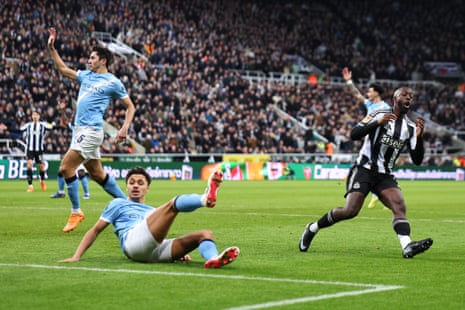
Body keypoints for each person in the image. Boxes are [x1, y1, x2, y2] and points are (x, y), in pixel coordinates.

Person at [298, 87, 433, 258]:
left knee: (399, 206)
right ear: (395, 98)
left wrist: (419, 139)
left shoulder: (411, 128)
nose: (409, 98)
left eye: (411, 96)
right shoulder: (379, 113)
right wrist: (377, 123)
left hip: (385, 175)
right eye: (405, 95)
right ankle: (312, 228)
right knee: (350, 211)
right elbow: (354, 134)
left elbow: (417, 159)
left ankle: (407, 246)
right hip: (364, 169)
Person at [59, 167, 240, 269]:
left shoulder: (152, 211)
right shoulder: (118, 204)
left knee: (205, 234)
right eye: (131, 183)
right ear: (127, 187)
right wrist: (77, 256)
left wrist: (180, 253)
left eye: (140, 183)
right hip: (133, 245)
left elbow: (157, 233)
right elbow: (95, 230)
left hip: (155, 249)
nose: (135, 186)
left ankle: (214, 259)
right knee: (173, 204)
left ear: (148, 188)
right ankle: (205, 198)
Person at [47, 27, 135, 233]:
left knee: (66, 168)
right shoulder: (86, 76)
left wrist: (124, 127)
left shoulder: (113, 82)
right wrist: (52, 48)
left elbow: (130, 106)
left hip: (92, 130)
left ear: (103, 60)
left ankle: (76, 211)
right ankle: (130, 205)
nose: (89, 60)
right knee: (97, 174)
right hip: (79, 130)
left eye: (93, 57)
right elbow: (63, 69)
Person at [342, 67, 391, 209]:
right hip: (370, 138)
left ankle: (373, 194)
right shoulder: (370, 104)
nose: (367, 93)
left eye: (369, 91)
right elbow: (357, 95)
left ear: (376, 93)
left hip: (379, 141)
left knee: (366, 167)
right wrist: (349, 82)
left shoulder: (384, 107)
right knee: (374, 169)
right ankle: (380, 194)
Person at [51, 101, 90, 199]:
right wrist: (62, 110)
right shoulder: (75, 127)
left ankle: (86, 194)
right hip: (75, 150)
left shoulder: (85, 125)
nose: (72, 117)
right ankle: (61, 192)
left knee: (80, 172)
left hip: (81, 150)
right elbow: (65, 121)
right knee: (61, 171)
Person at [19, 109, 55, 192]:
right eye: (33, 115)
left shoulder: (43, 125)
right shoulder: (28, 125)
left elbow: (52, 127)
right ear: (31, 116)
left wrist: (53, 122)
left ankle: (42, 181)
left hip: (39, 150)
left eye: (36, 115)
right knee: (29, 165)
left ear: (39, 116)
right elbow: (18, 130)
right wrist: (7, 128)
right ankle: (30, 186)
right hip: (29, 149)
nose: (35, 116)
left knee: (41, 167)